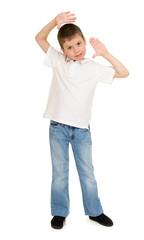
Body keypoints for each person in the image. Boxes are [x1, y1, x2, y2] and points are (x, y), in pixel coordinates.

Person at [35, 11, 129, 230]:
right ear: (62, 50)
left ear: (84, 42)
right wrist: (54, 22)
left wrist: (105, 53)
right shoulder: (58, 61)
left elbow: (124, 73)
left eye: (78, 44)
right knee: (59, 173)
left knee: (87, 173)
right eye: (69, 47)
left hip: (82, 131)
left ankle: (95, 212)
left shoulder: (93, 68)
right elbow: (39, 38)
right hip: (57, 128)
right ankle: (59, 212)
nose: (75, 50)